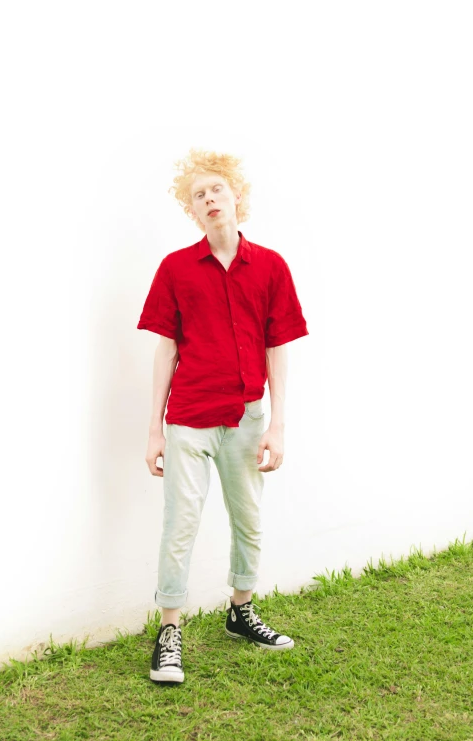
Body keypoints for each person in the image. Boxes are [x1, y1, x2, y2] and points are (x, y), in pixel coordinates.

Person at [137, 148, 308, 684]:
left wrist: (277, 425)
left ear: (237, 197)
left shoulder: (272, 267)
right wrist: (154, 431)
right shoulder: (175, 269)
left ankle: (241, 611)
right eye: (198, 195)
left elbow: (278, 349)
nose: (209, 199)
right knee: (180, 526)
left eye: (217, 190)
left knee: (249, 521)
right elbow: (164, 351)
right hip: (188, 419)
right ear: (191, 210)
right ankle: (170, 631)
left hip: (247, 419)